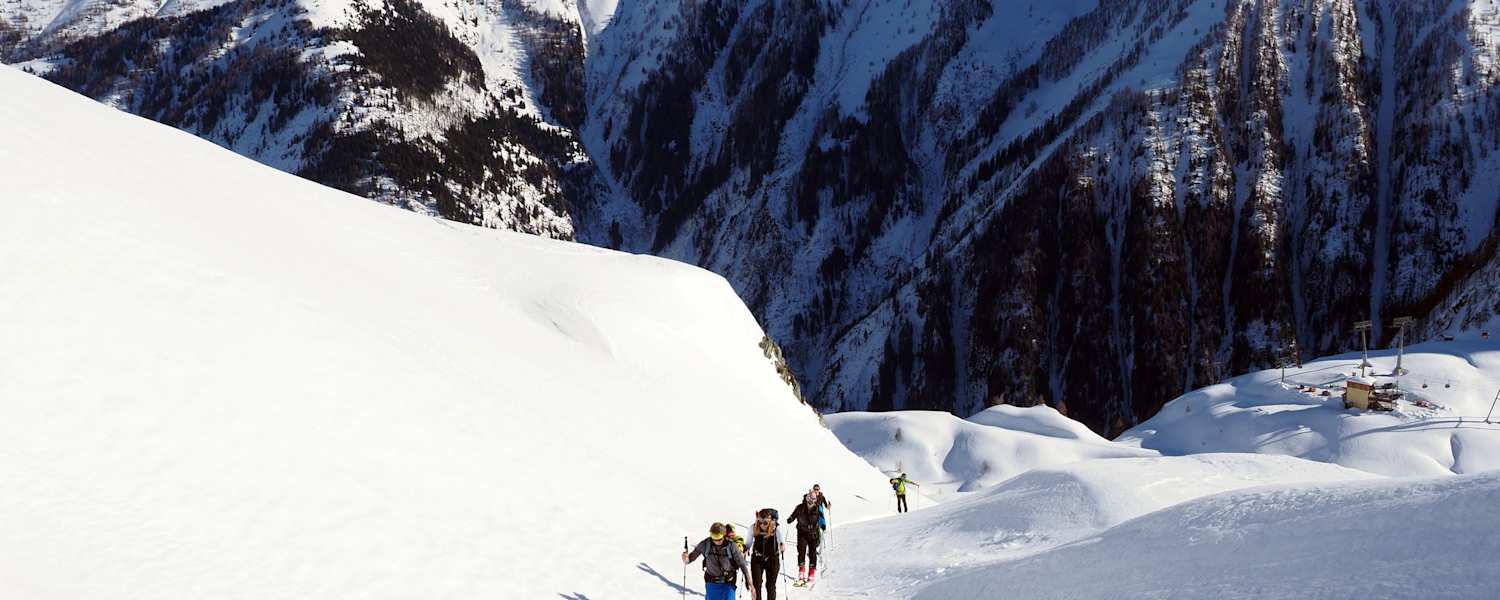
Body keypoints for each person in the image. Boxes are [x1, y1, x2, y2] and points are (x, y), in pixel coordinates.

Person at [683, 522, 756, 600]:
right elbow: (690, 559)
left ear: (724, 535)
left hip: (728, 583)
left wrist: (749, 582)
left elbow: (741, 564)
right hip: (711, 583)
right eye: (713, 537)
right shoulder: (705, 544)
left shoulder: (732, 546)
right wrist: (686, 558)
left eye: (718, 538)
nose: (716, 541)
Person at [786, 494, 822, 583]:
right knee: (801, 550)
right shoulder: (800, 507)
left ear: (815, 501)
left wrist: (823, 525)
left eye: (813, 501)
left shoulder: (817, 509)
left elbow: (821, 518)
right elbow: (794, 515)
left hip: (812, 533)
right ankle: (801, 570)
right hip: (802, 532)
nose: (810, 503)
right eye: (809, 500)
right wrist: (790, 519)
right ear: (806, 500)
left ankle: (811, 571)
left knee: (812, 552)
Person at [750, 508, 784, 600]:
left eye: (765, 522)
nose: (762, 525)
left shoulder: (776, 528)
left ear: (770, 521)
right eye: (760, 522)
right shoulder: (754, 527)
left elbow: (781, 540)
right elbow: (748, 542)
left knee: (770, 585)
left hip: (772, 559)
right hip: (757, 558)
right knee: (756, 585)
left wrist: (781, 545)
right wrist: (745, 549)